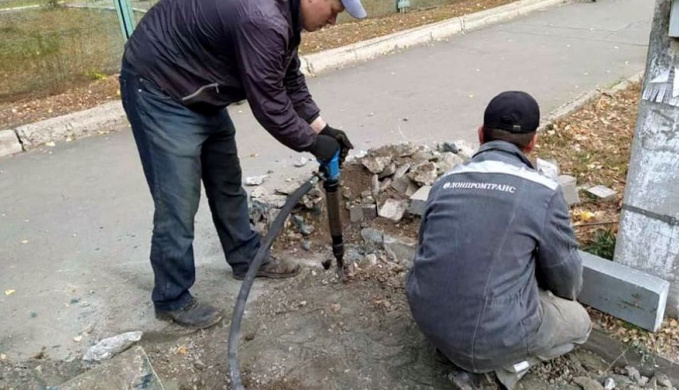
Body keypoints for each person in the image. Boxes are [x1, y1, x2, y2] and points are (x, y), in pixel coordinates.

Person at [119, 0, 365, 329]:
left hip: (201, 85)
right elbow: (270, 103)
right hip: (160, 85)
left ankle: (247, 258)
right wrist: (311, 143)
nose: (334, 21)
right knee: (178, 200)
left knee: (227, 183)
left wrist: (324, 129)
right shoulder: (263, 18)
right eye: (335, 10)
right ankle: (171, 296)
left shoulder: (285, 18)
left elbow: (289, 80)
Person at [405, 91, 592, 389]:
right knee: (580, 323)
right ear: (532, 142)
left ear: (481, 134)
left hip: (427, 318)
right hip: (492, 335)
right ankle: (500, 371)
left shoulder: (445, 182)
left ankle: (462, 351)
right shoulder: (544, 192)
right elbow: (566, 278)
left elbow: (427, 250)